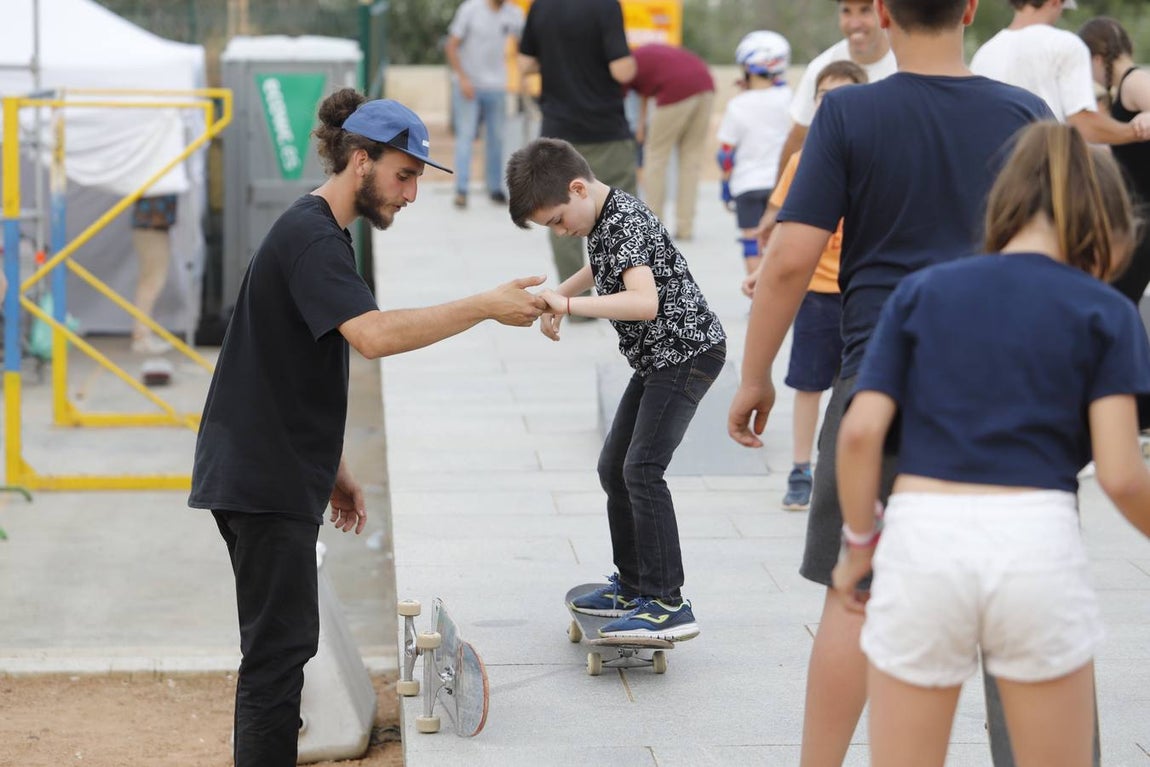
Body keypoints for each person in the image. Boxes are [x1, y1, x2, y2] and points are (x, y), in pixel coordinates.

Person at [726, 1, 1052, 765]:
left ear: (882, 13)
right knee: (1016, 592)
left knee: (854, 589)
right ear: (971, 7)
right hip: (1006, 388)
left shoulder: (848, 114)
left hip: (880, 384)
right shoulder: (1030, 115)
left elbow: (787, 259)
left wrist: (755, 375)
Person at [189, 90, 545, 767]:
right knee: (276, 657)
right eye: (403, 174)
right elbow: (373, 336)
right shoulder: (313, 236)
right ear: (361, 160)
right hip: (260, 478)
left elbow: (285, 361)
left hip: (272, 467)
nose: (410, 193)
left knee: (284, 648)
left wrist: (333, 463)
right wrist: (483, 305)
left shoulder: (317, 231)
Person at [833, 121, 1150, 767]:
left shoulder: (922, 290)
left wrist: (859, 545)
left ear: (1004, 204)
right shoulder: (1106, 310)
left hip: (923, 536)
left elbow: (861, 430)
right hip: (1036, 540)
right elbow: (1121, 474)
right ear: (1108, 218)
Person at [507, 137, 726, 639]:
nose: (562, 231)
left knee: (643, 469)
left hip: (686, 355)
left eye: (559, 220)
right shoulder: (605, 215)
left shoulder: (624, 217)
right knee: (614, 467)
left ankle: (667, 600)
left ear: (578, 188)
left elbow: (642, 302)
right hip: (657, 359)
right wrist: (560, 291)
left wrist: (569, 308)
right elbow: (601, 264)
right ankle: (633, 584)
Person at [747, 60, 868, 512]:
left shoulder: (873, 154)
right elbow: (787, 224)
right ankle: (801, 468)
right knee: (808, 383)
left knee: (855, 386)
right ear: (814, 104)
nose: (833, 105)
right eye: (825, 97)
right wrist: (763, 271)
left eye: (845, 96)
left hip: (861, 289)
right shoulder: (803, 161)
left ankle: (845, 468)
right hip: (816, 292)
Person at [518, 0, 638, 285]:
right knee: (620, 212)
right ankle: (627, 292)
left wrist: (557, 59)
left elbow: (524, 63)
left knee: (560, 213)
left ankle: (575, 301)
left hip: (558, 130)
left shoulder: (540, 7)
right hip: (605, 130)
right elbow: (622, 70)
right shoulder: (606, 5)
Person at [971, 0, 1150, 145]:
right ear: (1055, 2)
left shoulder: (984, 54)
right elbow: (1083, 125)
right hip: (1048, 173)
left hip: (997, 180)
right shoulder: (1066, 45)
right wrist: (1135, 131)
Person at [776, 0, 897, 176]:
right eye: (846, 11)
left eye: (865, 11)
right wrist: (776, 202)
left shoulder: (907, 61)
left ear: (883, 12)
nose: (855, 23)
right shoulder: (821, 67)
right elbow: (798, 139)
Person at [1079, 17, 1150, 305]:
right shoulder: (1124, 88)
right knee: (1117, 301)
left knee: (1116, 301)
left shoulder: (1134, 81)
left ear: (1097, 58)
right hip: (1136, 216)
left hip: (1144, 217)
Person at [716, 30, 793, 278]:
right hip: (782, 183)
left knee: (751, 244)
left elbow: (725, 153)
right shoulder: (789, 98)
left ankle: (757, 296)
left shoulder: (737, 105)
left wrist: (725, 185)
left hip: (747, 184)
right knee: (779, 243)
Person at [624, 43, 715, 241]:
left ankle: (653, 227)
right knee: (691, 160)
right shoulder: (646, 55)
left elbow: (623, 97)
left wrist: (637, 129)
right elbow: (644, 95)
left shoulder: (624, 67)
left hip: (677, 89)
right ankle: (685, 227)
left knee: (656, 155)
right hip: (706, 85)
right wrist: (641, 126)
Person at [444, 0, 525, 209]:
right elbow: (451, 45)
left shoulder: (514, 14)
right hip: (469, 86)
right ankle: (461, 189)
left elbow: (524, 47)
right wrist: (462, 79)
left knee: (496, 138)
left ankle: (495, 188)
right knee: (466, 136)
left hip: (497, 85)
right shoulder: (470, 9)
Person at [129, 194, 177, 354]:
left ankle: (142, 334)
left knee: (149, 282)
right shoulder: (156, 175)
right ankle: (142, 337)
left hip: (151, 227)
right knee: (152, 283)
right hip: (152, 228)